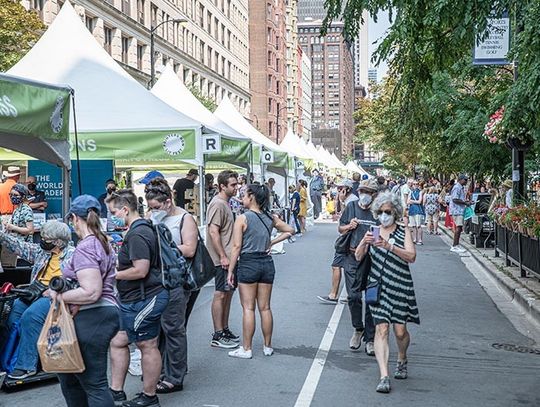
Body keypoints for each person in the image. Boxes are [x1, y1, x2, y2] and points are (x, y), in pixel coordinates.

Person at [54, 195, 120, 406]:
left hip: (93, 314)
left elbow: (91, 291)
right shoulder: (101, 242)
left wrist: (58, 295)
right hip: (99, 314)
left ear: (74, 218)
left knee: (93, 383)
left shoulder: (86, 247)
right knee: (70, 377)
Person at [107, 190, 169, 407]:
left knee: (147, 344)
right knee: (118, 340)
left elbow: (140, 270)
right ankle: (116, 391)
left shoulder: (138, 234)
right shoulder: (138, 230)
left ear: (125, 209)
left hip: (146, 297)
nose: (112, 216)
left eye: (114, 212)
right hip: (134, 298)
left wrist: (112, 274)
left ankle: (149, 396)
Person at [355, 191, 419, 393]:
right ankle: (384, 375)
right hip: (378, 286)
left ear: (395, 213)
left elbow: (411, 256)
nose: (384, 215)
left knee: (400, 332)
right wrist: (364, 242)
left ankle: (402, 357)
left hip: (400, 285)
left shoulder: (403, 231)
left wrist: (389, 246)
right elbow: (358, 257)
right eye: (381, 211)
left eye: (388, 212)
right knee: (381, 329)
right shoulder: (373, 231)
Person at [144, 178, 198, 394]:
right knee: (158, 330)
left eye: (156, 207)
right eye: (150, 207)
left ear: (167, 202)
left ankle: (175, 376)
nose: (152, 211)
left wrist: (166, 246)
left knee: (174, 329)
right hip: (156, 281)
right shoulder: (151, 219)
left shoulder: (185, 219)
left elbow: (190, 249)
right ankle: (160, 370)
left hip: (177, 281)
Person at [226, 185, 294, 358]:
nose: (242, 198)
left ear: (252, 196)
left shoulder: (242, 218)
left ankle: (247, 348)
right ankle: (267, 346)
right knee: (265, 308)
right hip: (266, 263)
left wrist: (230, 271)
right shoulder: (270, 217)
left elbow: (236, 247)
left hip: (248, 263)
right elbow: (290, 230)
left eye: (244, 195)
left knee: (248, 308)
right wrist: (272, 242)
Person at [0, 221, 74, 380]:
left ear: (58, 242)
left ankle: (26, 365)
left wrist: (54, 290)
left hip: (54, 295)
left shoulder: (72, 255)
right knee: (12, 315)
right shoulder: (42, 252)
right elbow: (19, 246)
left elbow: (75, 280)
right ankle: (8, 358)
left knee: (31, 316)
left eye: (46, 238)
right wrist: (2, 236)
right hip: (34, 291)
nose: (42, 240)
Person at [338, 178, 379, 356]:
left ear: (373, 195)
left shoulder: (378, 211)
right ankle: (358, 328)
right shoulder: (351, 207)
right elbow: (340, 228)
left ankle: (370, 338)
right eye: (362, 191)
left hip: (372, 260)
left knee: (371, 298)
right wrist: (350, 226)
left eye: (368, 193)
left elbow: (382, 234)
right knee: (353, 296)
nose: (364, 195)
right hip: (352, 257)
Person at [206, 170, 241, 349]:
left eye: (236, 184)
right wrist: (222, 256)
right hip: (223, 259)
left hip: (229, 257)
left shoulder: (225, 203)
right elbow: (213, 231)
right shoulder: (218, 204)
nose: (236, 187)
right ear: (222, 186)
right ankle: (218, 334)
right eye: (233, 185)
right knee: (220, 294)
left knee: (228, 293)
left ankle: (224, 329)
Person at [317, 179, 359, 304]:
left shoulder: (351, 202)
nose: (338, 191)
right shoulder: (349, 201)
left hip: (348, 240)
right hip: (349, 239)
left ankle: (335, 295)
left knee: (338, 266)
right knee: (346, 267)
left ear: (346, 189)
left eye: (340, 189)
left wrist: (345, 227)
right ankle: (344, 295)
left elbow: (347, 225)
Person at [449, 175, 472, 253]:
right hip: (457, 210)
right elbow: (455, 199)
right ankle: (455, 245)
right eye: (465, 180)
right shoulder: (457, 187)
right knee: (458, 228)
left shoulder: (461, 188)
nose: (466, 181)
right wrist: (465, 203)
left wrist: (467, 202)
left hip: (459, 210)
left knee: (459, 227)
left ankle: (456, 244)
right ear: (460, 180)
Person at [407, 180, 425, 245]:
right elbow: (407, 201)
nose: (415, 185)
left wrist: (411, 201)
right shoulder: (411, 192)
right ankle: (414, 239)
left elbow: (419, 201)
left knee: (419, 225)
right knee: (413, 226)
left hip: (418, 210)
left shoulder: (420, 192)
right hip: (412, 210)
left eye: (417, 184)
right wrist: (413, 201)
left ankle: (420, 240)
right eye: (414, 184)